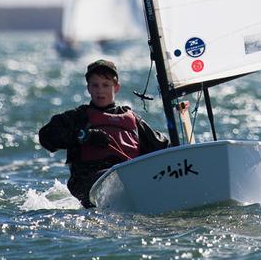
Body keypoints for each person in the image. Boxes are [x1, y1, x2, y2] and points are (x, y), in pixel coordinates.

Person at [38, 58, 169, 207]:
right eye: (95, 85)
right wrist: (84, 136)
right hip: (88, 182)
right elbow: (46, 136)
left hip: (129, 178)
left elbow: (162, 147)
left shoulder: (132, 119)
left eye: (106, 85)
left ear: (116, 87)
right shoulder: (78, 117)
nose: (100, 91)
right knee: (115, 178)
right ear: (88, 88)